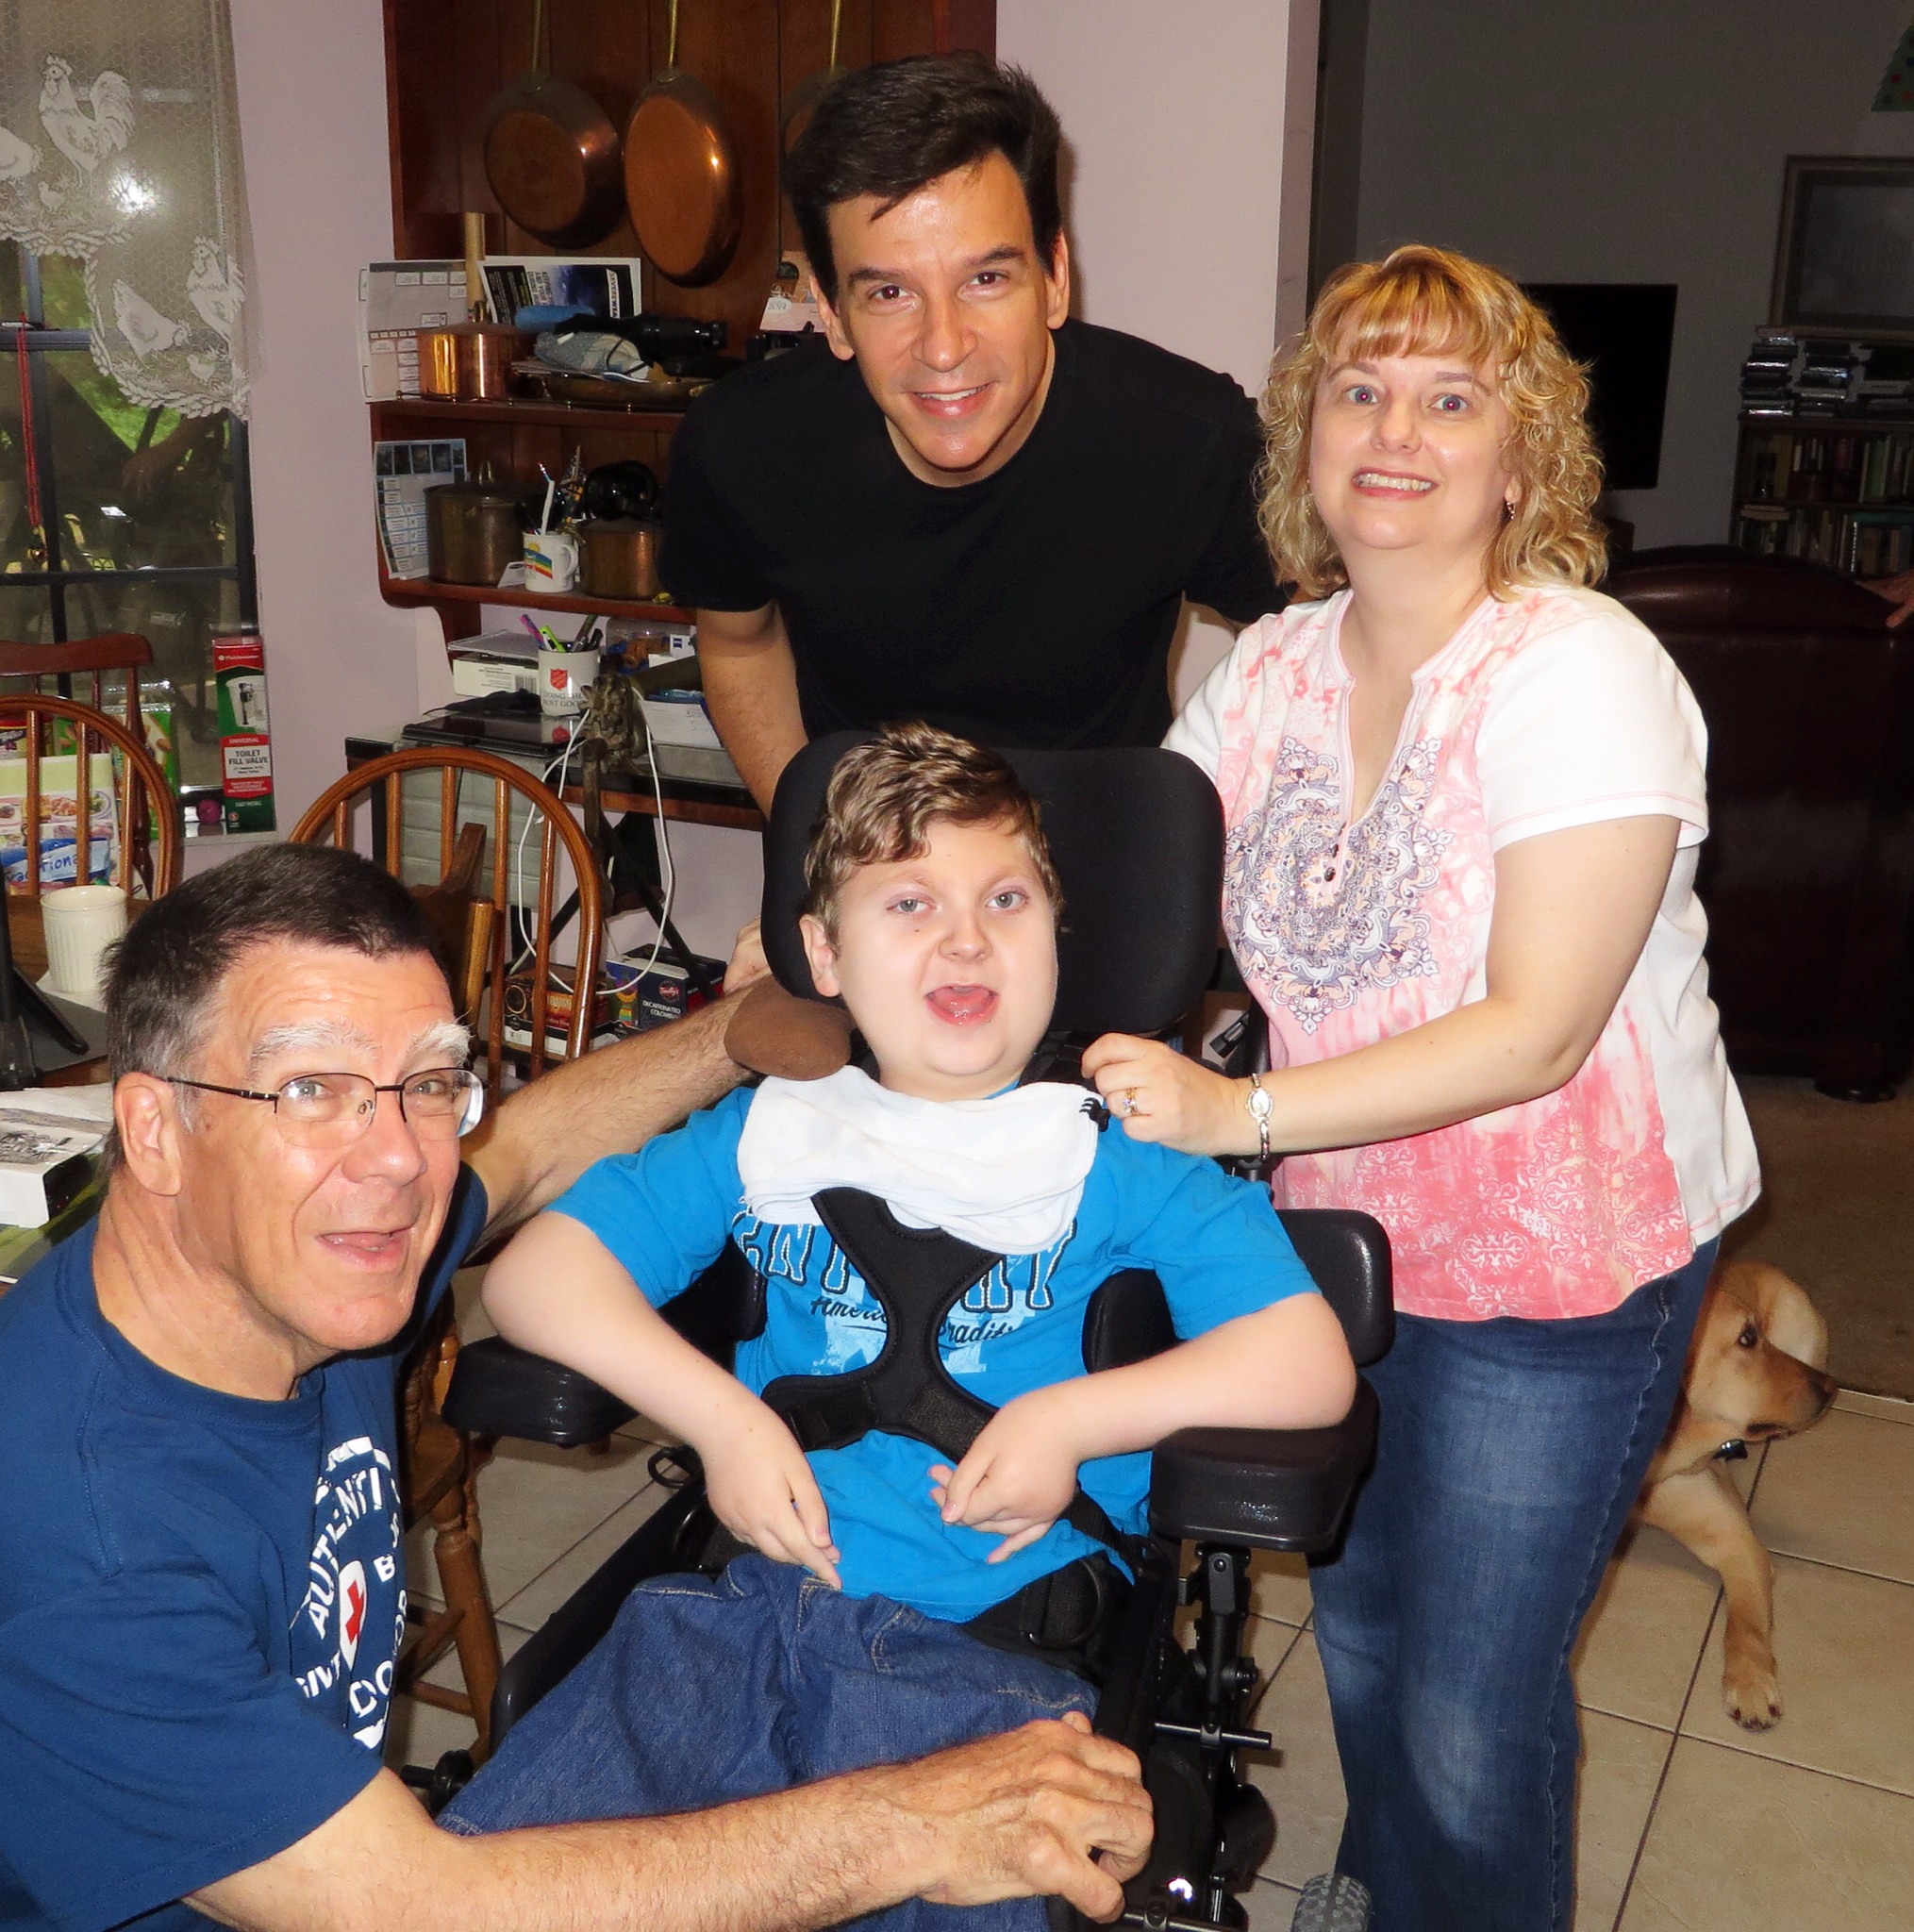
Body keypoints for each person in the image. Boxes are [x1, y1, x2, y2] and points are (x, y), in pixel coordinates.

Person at [0, 843, 1155, 1932]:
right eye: (310, 1087)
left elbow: (523, 1152)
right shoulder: (82, 1536)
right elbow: (417, 1908)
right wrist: (911, 1821)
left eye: (429, 1082)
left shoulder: (303, 1255)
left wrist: (733, 1031)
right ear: (154, 1128)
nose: (398, 1157)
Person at [1079, 247, 1760, 1932]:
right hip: (1344, 1248)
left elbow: (1535, 1030)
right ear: (1304, 442)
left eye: (1449, 400)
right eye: (1358, 392)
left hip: (1559, 1272)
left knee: (1471, 1705)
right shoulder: (1269, 670)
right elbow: (1126, 887)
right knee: (1367, 1633)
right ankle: (1391, 1892)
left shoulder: (1576, 668)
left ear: (1520, 460)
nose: (1394, 431)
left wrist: (1227, 1116)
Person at [441, 725, 1355, 1929]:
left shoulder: (1122, 1156)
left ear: (1056, 935)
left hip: (991, 1666)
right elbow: (535, 1276)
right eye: (909, 902)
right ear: (823, 952)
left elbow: (1307, 1360)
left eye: (1006, 899)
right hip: (740, 1622)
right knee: (497, 1889)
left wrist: (1072, 1417)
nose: (965, 937)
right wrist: (720, 1420)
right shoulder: (769, 1131)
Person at [660, 55, 1284, 809]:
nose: (944, 347)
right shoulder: (743, 445)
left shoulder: (1188, 438)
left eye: (985, 279)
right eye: (889, 292)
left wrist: (1203, 839)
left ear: (1054, 277)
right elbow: (739, 642)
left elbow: (1313, 652)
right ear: (830, 312)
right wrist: (813, 843)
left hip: (1105, 857)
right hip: (869, 858)